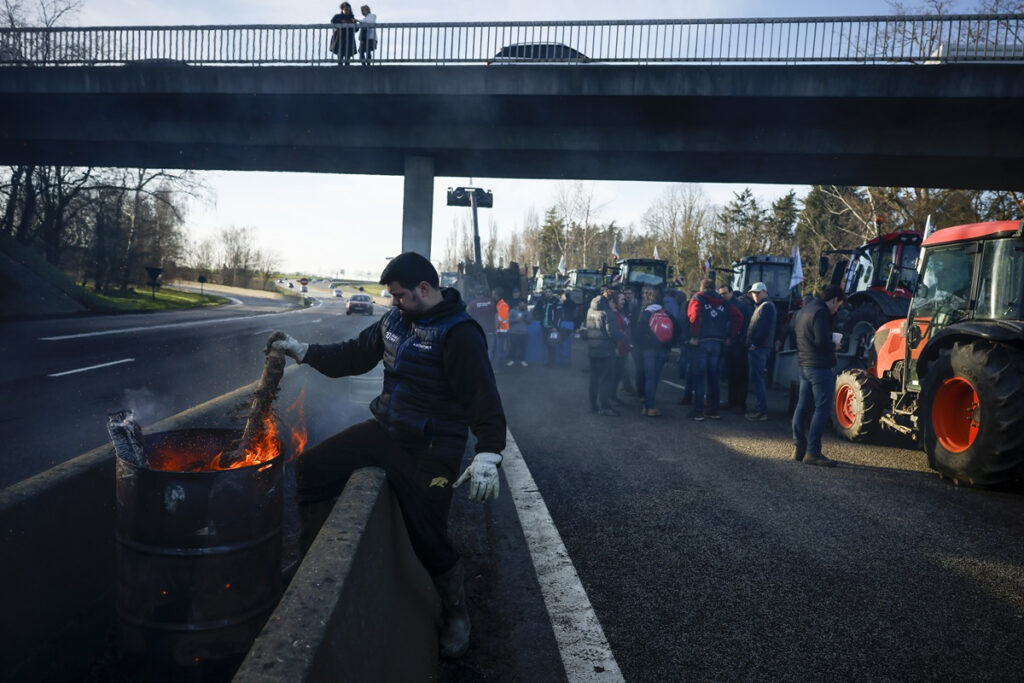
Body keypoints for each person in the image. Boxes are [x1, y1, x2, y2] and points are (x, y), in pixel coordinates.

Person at [266, 252, 506, 659]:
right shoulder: (394, 321)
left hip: (433, 449)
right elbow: (353, 355)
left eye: (398, 295)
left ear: (424, 290)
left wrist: (488, 454)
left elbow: (482, 397)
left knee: (427, 535)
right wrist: (303, 350)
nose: (393, 302)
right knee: (313, 468)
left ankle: (456, 613)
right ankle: (313, 564)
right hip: (386, 430)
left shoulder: (460, 333)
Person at [791, 284, 847, 466]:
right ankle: (813, 452)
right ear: (834, 300)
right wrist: (834, 346)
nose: (837, 310)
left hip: (804, 365)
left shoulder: (804, 310)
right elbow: (822, 341)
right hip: (820, 367)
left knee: (802, 405)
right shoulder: (821, 312)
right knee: (822, 409)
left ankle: (799, 445)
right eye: (838, 305)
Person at [687, 278, 742, 421]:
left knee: (699, 377)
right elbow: (738, 317)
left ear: (702, 287)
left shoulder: (698, 298)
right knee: (713, 377)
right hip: (718, 342)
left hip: (702, 341)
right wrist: (730, 335)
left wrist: (694, 335)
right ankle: (714, 410)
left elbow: (695, 317)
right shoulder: (724, 302)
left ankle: (698, 411)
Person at [636, 286, 673, 417]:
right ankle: (650, 406)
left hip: (648, 350)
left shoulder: (645, 313)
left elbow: (638, 332)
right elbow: (676, 330)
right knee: (654, 379)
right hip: (662, 349)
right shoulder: (666, 312)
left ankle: (648, 406)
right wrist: (668, 345)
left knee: (649, 378)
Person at [584, 292, 621, 416]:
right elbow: (613, 334)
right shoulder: (607, 313)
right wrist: (621, 335)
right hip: (605, 351)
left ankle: (592, 405)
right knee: (605, 379)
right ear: (609, 301)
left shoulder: (590, 310)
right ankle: (604, 407)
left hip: (592, 350)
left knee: (593, 378)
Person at [745, 282, 777, 422]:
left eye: (758, 293)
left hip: (759, 348)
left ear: (765, 292)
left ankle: (761, 410)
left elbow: (764, 329)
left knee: (758, 379)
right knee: (757, 379)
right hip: (759, 347)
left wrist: (754, 344)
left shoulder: (767, 307)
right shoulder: (763, 306)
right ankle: (760, 409)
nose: (755, 295)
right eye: (753, 293)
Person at [725, 288, 754, 414]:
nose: (722, 296)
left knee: (739, 375)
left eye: (724, 293)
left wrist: (741, 340)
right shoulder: (734, 305)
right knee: (733, 374)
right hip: (734, 344)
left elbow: (747, 326)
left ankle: (739, 403)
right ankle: (733, 402)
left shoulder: (741, 307)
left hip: (739, 345)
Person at [467, 288, 497, 362]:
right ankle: (488, 368)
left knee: (477, 350)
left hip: (477, 332)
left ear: (475, 294)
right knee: (489, 350)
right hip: (490, 331)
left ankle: (479, 368)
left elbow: (467, 319)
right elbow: (496, 317)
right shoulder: (491, 303)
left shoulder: (472, 304)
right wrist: (495, 330)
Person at [508, 300, 529, 366]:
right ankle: (512, 360)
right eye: (521, 304)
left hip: (524, 333)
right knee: (513, 347)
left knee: (523, 347)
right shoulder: (512, 311)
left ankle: (522, 360)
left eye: (524, 305)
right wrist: (516, 320)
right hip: (514, 332)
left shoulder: (527, 312)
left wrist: (525, 318)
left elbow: (530, 321)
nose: (523, 306)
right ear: (519, 304)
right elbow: (508, 320)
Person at [494, 289, 509, 368]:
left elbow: (500, 319)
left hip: (502, 330)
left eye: (493, 294)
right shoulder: (499, 304)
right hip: (500, 330)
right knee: (500, 349)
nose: (492, 296)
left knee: (501, 350)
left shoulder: (503, 305)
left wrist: (495, 328)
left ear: (497, 294)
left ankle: (500, 367)